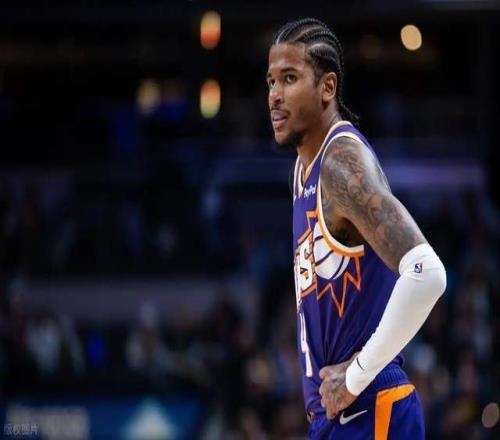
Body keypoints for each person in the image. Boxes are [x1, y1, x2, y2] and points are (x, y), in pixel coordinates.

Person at [266, 18, 447, 439]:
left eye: (289, 79)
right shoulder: (302, 171)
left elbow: (427, 273)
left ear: (327, 87)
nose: (274, 95)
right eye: (271, 81)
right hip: (336, 416)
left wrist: (356, 375)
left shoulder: (341, 164)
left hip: (370, 406)